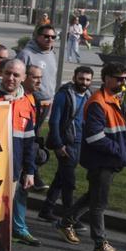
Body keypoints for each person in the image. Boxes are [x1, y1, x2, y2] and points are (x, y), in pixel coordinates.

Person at [58, 62, 126, 251]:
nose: (123, 82)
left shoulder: (115, 99)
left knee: (93, 196)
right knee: (99, 204)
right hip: (102, 161)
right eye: (119, 78)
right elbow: (94, 137)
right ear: (106, 78)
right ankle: (100, 243)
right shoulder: (98, 102)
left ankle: (66, 222)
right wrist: (118, 151)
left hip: (110, 159)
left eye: (125, 79)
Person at [0, 59, 39, 246]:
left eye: (16, 75)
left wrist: (30, 171)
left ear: (24, 78)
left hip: (13, 169)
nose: (11, 78)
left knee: (3, 212)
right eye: (8, 73)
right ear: (1, 73)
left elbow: (29, 142)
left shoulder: (26, 103)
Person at [41, 66, 93, 222]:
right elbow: (54, 121)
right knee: (69, 182)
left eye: (88, 80)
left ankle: (46, 209)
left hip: (79, 143)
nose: (84, 82)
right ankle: (70, 218)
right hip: (65, 143)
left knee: (61, 177)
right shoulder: (64, 95)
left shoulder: (89, 96)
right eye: (81, 79)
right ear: (74, 78)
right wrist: (58, 144)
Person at [15, 24, 58, 103]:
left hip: (49, 101)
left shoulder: (51, 54)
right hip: (31, 101)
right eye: (46, 36)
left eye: (53, 37)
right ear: (38, 37)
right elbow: (16, 79)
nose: (50, 39)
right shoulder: (26, 54)